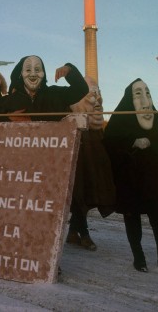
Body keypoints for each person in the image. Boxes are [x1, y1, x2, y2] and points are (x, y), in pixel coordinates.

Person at [104, 78, 158, 273]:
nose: (145, 100)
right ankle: (138, 258)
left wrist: (152, 143)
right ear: (129, 100)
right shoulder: (119, 119)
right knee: (132, 218)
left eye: (147, 94)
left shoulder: (157, 120)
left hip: (154, 180)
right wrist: (131, 142)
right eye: (138, 94)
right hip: (130, 181)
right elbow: (109, 144)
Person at [66, 76, 116, 251]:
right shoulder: (72, 129)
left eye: (98, 95)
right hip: (78, 170)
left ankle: (73, 232)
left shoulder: (97, 132)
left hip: (92, 170)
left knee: (86, 196)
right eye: (91, 95)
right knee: (80, 196)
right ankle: (84, 234)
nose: (97, 101)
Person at [4, 55, 88, 121]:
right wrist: (7, 118)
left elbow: (81, 90)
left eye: (37, 69)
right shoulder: (8, 101)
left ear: (43, 73)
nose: (33, 74)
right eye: (28, 70)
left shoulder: (56, 95)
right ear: (21, 73)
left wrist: (70, 70)